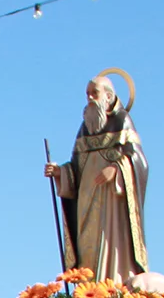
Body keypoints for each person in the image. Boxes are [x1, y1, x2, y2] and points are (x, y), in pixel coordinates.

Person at [44, 72, 151, 282]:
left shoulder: (122, 121)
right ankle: (89, 289)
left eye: (95, 93)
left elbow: (138, 159)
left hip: (113, 200)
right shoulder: (86, 127)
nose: (90, 98)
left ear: (109, 97)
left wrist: (118, 169)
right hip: (87, 200)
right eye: (88, 94)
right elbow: (76, 168)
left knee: (112, 241)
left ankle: (114, 286)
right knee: (87, 244)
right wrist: (61, 172)